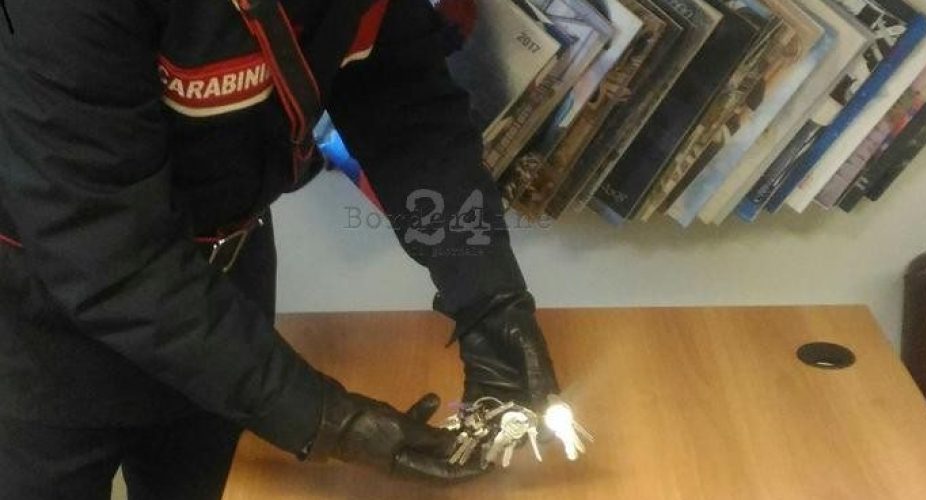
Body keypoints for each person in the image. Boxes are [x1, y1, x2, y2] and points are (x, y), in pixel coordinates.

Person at [0, 0, 560, 498]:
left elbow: (405, 107)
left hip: (223, 309)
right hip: (44, 334)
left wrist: (486, 292)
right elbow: (108, 248)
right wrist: (323, 418)